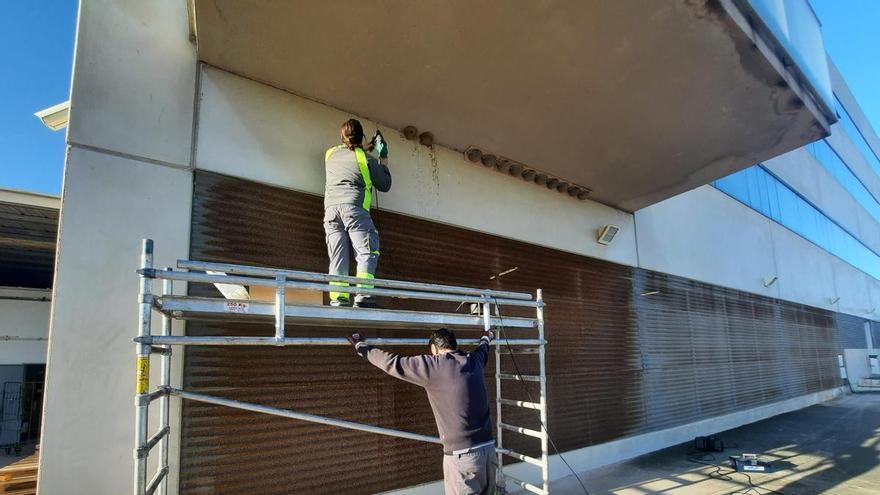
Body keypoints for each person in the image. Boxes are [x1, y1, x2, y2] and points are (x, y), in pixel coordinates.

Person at [347, 328, 497, 495]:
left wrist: (362, 347)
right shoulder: (473, 360)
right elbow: (483, 349)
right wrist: (487, 337)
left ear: (434, 349)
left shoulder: (433, 365)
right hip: (488, 450)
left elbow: (393, 363)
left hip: (462, 457)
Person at [324, 119, 392, 308]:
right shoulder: (366, 159)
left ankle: (338, 298)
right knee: (367, 252)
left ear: (342, 136)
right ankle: (364, 297)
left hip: (331, 212)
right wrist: (383, 155)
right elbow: (384, 185)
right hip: (354, 209)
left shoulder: (330, 154)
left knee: (338, 255)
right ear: (361, 136)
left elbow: (350, 152)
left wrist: (366, 146)